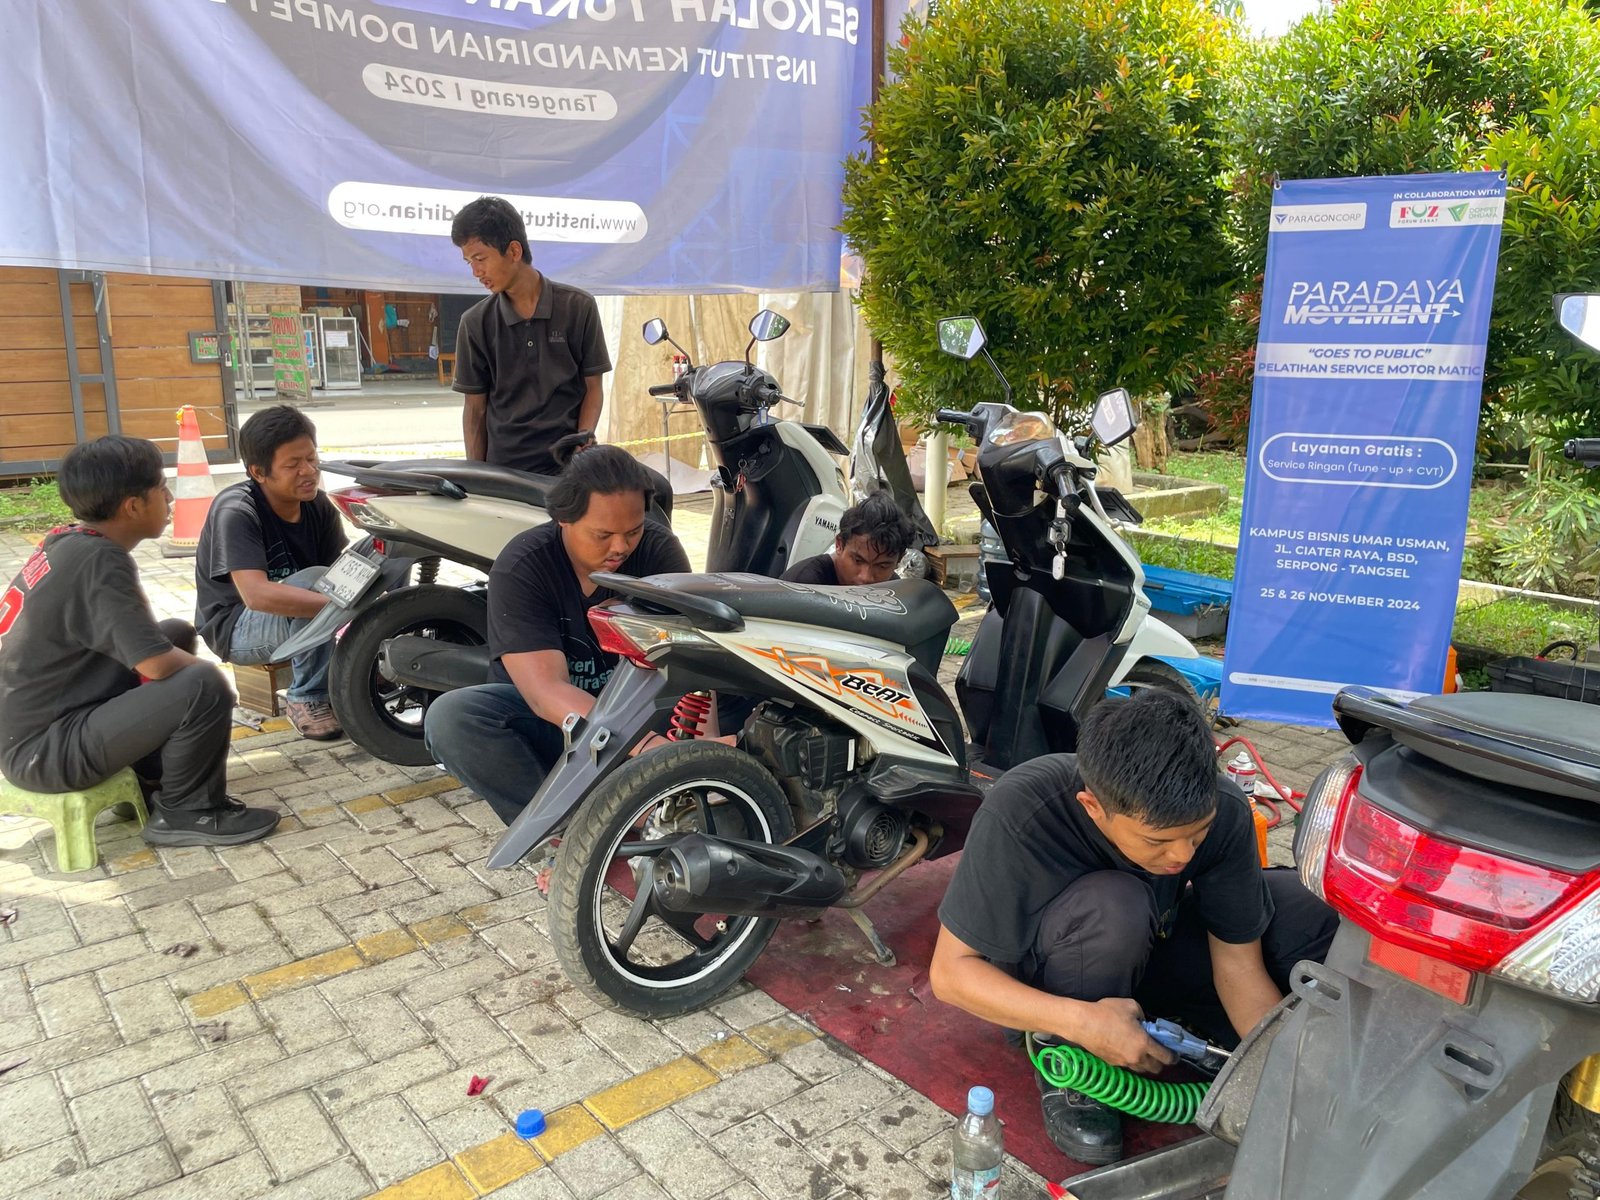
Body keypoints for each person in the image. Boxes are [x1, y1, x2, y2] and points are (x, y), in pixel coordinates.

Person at [929, 689, 1338, 1166]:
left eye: (1196, 835)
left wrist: (1281, 1072)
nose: (1183, 855)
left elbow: (1238, 963)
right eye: (1157, 840)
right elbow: (951, 974)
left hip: (1148, 946)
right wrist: (1079, 1022)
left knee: (1308, 908)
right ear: (1093, 806)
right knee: (1115, 902)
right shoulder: (1023, 807)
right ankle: (1073, 1070)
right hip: (1054, 979)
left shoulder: (1221, 809)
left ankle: (1172, 1030)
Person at [0, 436, 278, 847]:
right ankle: (187, 811)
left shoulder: (69, 540)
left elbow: (149, 646)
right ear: (132, 505)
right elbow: (155, 667)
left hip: (41, 729)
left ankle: (154, 777)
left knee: (175, 634)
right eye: (160, 489)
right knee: (204, 684)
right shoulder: (100, 559)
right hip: (45, 752)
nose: (168, 498)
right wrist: (207, 677)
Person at [424, 446, 690, 824]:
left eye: (633, 531)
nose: (620, 547)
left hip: (638, 711)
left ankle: (659, 804)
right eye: (603, 535)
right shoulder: (523, 567)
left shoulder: (659, 552)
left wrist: (697, 750)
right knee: (452, 718)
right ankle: (560, 833)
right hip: (559, 725)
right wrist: (649, 749)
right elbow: (545, 692)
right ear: (564, 519)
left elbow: (686, 658)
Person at [194, 406, 347, 741]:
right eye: (293, 465)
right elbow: (257, 595)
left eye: (311, 458)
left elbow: (341, 575)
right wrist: (343, 609)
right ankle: (307, 696)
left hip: (295, 618)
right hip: (236, 627)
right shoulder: (237, 511)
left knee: (376, 565)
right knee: (314, 586)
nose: (308, 471)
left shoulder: (318, 506)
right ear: (259, 472)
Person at [451, 195, 611, 476]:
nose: (476, 272)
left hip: (567, 467)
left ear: (514, 251)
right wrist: (477, 479)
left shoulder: (578, 306)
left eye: (480, 259)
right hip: (505, 471)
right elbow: (474, 410)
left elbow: (593, 387)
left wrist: (582, 446)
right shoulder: (475, 323)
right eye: (469, 263)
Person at [781, 490, 916, 586]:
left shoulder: (892, 590)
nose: (866, 577)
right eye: (858, 560)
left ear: (899, 560)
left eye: (882, 566)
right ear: (839, 544)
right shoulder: (804, 585)